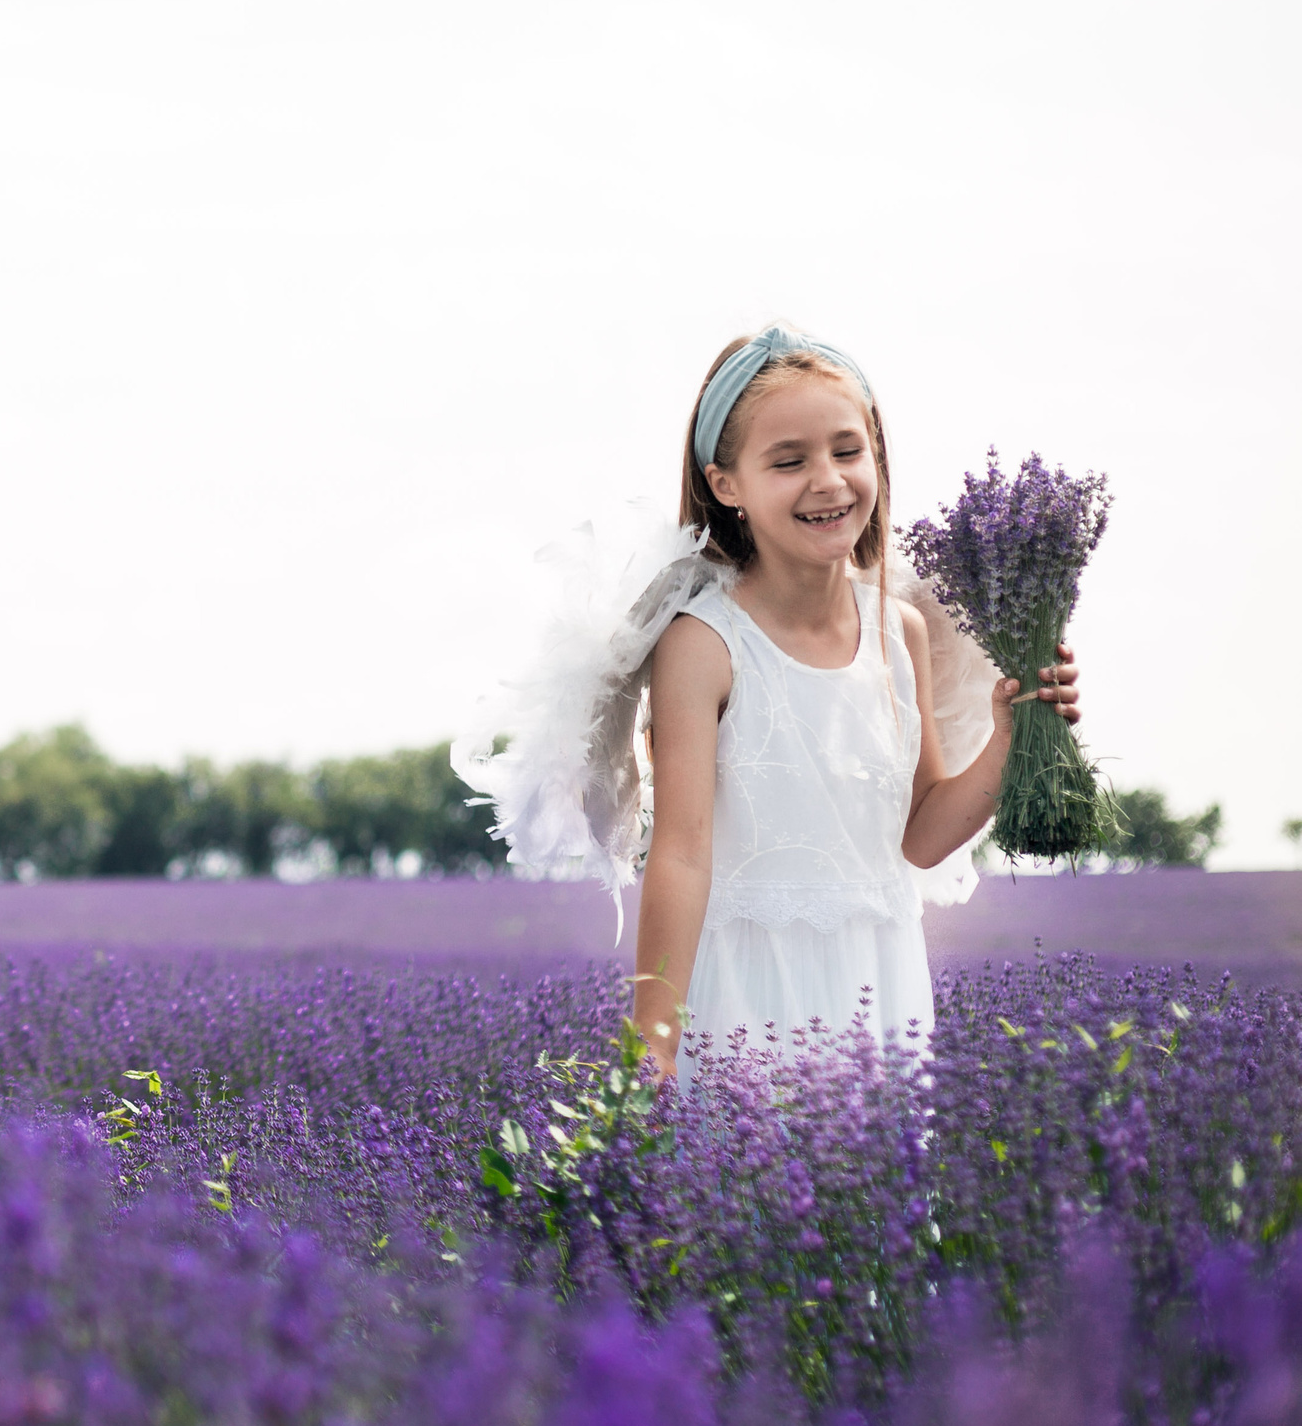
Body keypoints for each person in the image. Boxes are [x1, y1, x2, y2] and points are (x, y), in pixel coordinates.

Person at [461, 325, 1082, 1071]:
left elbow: (918, 837)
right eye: (789, 461)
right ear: (728, 485)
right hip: (747, 999)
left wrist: (1009, 736)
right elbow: (682, 856)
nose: (827, 480)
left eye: (848, 451)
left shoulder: (901, 631)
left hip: (881, 992)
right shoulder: (705, 643)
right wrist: (652, 1044)